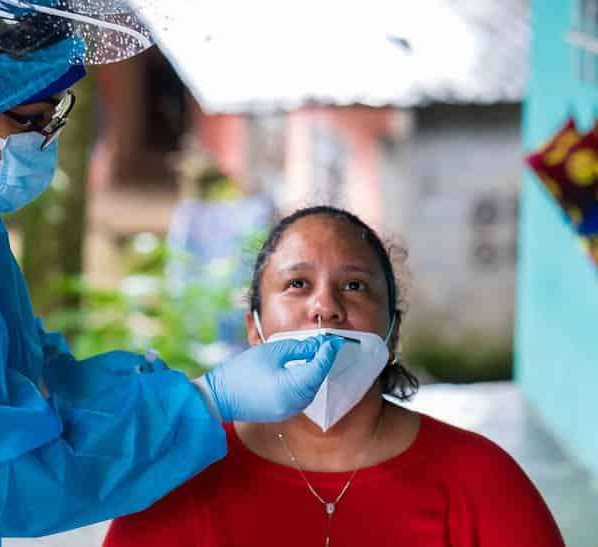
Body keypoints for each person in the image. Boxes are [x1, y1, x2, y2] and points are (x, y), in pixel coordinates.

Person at [0, 2, 343, 546]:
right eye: (26, 118)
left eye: (55, 114)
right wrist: (202, 404)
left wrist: (177, 396)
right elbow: (4, 473)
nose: (42, 141)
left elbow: (14, 379)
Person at [104, 205, 565, 547]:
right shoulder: (180, 479)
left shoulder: (482, 481)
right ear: (254, 330)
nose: (325, 307)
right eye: (297, 284)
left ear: (392, 331)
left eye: (355, 285)